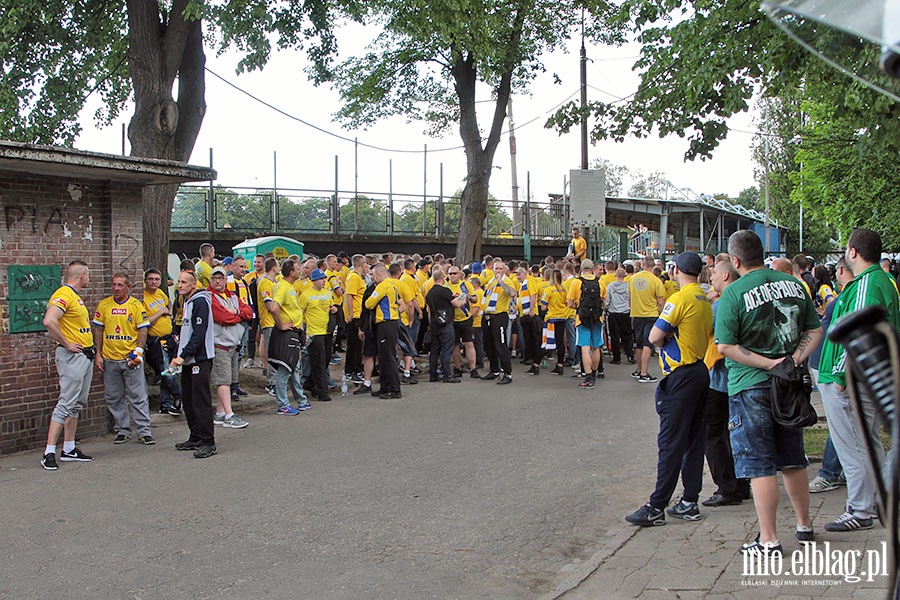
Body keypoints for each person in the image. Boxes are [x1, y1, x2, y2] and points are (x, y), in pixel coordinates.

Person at [715, 230, 822, 554]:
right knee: (792, 458)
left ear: (734, 261)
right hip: (788, 385)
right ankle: (804, 525)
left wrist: (769, 363)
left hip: (750, 386)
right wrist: (792, 361)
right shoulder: (794, 285)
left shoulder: (733, 295)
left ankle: (769, 538)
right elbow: (815, 330)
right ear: (762, 253)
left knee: (759, 464)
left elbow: (726, 346)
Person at [817, 228, 900, 532]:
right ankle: (877, 501)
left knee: (853, 446)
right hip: (860, 376)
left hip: (850, 379)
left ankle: (861, 509)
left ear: (853, 252)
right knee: (865, 443)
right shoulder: (878, 280)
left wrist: (840, 373)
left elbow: (857, 329)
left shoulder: (869, 283)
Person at [625, 252, 713, 526]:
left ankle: (657, 506)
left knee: (670, 442)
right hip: (699, 370)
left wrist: (663, 341)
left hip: (681, 375)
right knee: (693, 440)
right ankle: (689, 500)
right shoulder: (704, 299)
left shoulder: (679, 298)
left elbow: (653, 336)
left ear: (675, 270)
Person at [701, 253, 751, 507]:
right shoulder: (744, 298)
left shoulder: (722, 304)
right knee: (737, 431)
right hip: (742, 376)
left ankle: (727, 487)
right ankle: (742, 482)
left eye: (713, 274)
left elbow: (704, 328)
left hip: (720, 377)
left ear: (726, 275)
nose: (711, 278)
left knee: (713, 432)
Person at [40, 261, 95, 470]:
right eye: (88, 275)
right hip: (73, 357)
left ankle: (69, 447)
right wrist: (66, 343)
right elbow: (49, 320)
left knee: (76, 403)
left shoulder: (75, 297)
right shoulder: (64, 294)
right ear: (82, 275)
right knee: (65, 403)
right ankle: (49, 452)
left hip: (85, 355)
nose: (88, 279)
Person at [807, 257, 853, 494]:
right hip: (830, 365)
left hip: (832, 367)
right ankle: (841, 469)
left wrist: (839, 374)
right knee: (849, 423)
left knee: (840, 423)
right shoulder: (848, 296)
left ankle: (830, 472)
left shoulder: (845, 298)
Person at [93, 273, 154, 445]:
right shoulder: (104, 305)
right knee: (113, 397)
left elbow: (143, 330)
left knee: (138, 396)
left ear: (128, 287)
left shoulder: (136, 305)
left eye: (120, 285)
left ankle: (144, 431)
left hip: (130, 359)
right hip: (110, 359)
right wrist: (98, 353)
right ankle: (122, 430)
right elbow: (98, 329)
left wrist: (139, 352)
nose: (116, 288)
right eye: (114, 285)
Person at [169, 269, 218, 459]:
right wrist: (178, 353)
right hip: (187, 359)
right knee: (188, 399)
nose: (180, 285)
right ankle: (195, 435)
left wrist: (184, 355)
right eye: (179, 281)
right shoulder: (186, 302)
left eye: (184, 282)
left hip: (200, 359)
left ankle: (208, 441)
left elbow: (198, 334)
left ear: (194, 284)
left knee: (200, 400)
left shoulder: (200, 302)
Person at [265, 259, 312, 414]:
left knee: (293, 368)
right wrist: (281, 324)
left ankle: (300, 399)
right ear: (291, 272)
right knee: (285, 370)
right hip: (286, 334)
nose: (300, 271)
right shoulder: (282, 287)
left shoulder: (290, 287)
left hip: (294, 333)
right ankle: (282, 405)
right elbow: (274, 307)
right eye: (298, 269)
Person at [208, 266, 252, 428]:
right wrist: (238, 316)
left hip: (234, 345)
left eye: (221, 278)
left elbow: (249, 312)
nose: (218, 281)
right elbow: (222, 317)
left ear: (226, 279)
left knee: (227, 380)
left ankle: (220, 413)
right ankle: (229, 414)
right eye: (215, 278)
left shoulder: (232, 296)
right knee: (223, 381)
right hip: (220, 345)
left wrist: (235, 311)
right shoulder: (210, 297)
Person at [142, 268, 182, 416]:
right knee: (167, 372)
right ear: (145, 280)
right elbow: (145, 322)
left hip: (169, 338)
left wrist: (168, 311)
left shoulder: (161, 294)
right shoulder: (143, 297)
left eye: (157, 279)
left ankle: (165, 404)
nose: (154, 282)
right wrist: (161, 313)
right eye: (151, 279)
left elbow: (169, 304)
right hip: (155, 341)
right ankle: (179, 395)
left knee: (168, 370)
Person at [365, 265, 406, 398]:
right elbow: (400, 303)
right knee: (383, 357)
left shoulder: (383, 286)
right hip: (389, 322)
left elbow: (369, 303)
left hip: (386, 323)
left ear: (379, 275)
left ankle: (394, 389)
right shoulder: (392, 285)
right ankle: (385, 386)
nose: (372, 278)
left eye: (373, 275)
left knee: (388, 357)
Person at [426, 267, 469, 383]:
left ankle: (433, 374)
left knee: (434, 350)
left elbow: (428, 310)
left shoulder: (429, 293)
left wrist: (430, 325)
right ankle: (447, 375)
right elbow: (457, 304)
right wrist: (464, 300)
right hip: (446, 323)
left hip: (435, 323)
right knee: (447, 349)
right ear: (442, 278)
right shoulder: (445, 291)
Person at [567, 260, 606, 388]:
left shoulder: (576, 282)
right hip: (597, 318)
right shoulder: (600, 282)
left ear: (582, 268)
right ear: (593, 268)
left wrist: (579, 307)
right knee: (596, 346)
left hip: (582, 318)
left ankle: (588, 376)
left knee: (585, 347)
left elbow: (570, 303)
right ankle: (594, 374)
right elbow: (604, 300)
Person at [299, 269, 336, 402]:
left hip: (326, 331)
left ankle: (309, 383)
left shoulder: (327, 293)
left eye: (325, 279)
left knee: (325, 359)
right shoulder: (306, 295)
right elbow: (300, 313)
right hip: (314, 332)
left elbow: (332, 308)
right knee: (318, 362)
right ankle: (322, 392)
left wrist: (334, 310)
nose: (324, 281)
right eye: (321, 279)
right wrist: (302, 331)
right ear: (314, 280)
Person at [629, 256, 666, 383]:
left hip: (636, 313)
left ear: (643, 264)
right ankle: (644, 373)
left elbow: (630, 297)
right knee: (647, 344)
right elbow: (661, 303)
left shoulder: (632, 279)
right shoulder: (656, 281)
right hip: (651, 315)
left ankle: (638, 370)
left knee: (638, 344)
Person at [480, 259, 517, 384]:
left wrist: (502, 282)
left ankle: (507, 373)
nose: (498, 271)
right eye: (496, 268)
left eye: (501, 269)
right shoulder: (491, 282)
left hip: (499, 316)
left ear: (505, 270)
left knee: (501, 345)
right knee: (489, 345)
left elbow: (512, 293)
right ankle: (494, 370)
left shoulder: (506, 281)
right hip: (487, 316)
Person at [446, 265, 479, 378]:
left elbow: (475, 299)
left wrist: (469, 297)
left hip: (466, 318)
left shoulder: (466, 285)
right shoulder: (446, 287)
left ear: (459, 274)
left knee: (469, 343)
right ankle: (457, 367)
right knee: (455, 345)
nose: (452, 276)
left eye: (454, 273)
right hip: (453, 320)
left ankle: (473, 368)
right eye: (450, 274)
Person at [343, 254, 368, 382]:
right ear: (361, 264)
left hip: (359, 314)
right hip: (356, 315)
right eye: (365, 264)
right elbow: (349, 295)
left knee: (358, 345)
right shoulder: (354, 277)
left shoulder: (357, 277)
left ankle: (356, 368)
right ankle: (350, 370)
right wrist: (351, 313)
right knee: (354, 345)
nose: (367, 267)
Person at [256, 257, 279, 396]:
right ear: (274, 268)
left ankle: (276, 381)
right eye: (277, 265)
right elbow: (270, 305)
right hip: (269, 322)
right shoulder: (264, 282)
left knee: (276, 353)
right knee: (272, 353)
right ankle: (271, 383)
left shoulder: (274, 282)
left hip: (274, 322)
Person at [605, 268, 634, 365]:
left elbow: (607, 300)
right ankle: (630, 355)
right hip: (625, 313)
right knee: (627, 335)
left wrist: (606, 308)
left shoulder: (610, 287)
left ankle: (616, 358)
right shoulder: (628, 286)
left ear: (615, 276)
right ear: (624, 276)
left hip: (613, 313)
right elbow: (630, 299)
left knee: (614, 336)